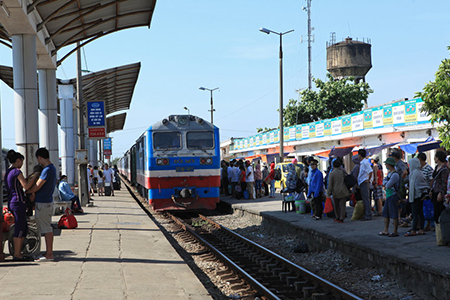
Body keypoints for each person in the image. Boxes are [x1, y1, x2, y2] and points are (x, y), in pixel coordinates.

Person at [4, 150, 39, 260]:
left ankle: (19, 252)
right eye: (22, 161)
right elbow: (26, 185)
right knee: (20, 227)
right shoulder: (16, 171)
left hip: (13, 201)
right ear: (18, 160)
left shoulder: (9, 172)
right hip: (18, 201)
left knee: (23, 226)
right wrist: (36, 175)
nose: (22, 164)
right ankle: (17, 254)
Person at [27, 148, 57, 262]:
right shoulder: (52, 168)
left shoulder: (47, 170)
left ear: (39, 157)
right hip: (47, 202)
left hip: (43, 203)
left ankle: (49, 254)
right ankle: (48, 252)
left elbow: (38, 186)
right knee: (46, 227)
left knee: (46, 229)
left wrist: (27, 191)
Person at [405, 158, 429, 236]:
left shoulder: (415, 174)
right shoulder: (418, 173)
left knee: (415, 214)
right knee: (420, 213)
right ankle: (420, 228)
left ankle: (414, 229)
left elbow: (418, 186)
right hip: (418, 196)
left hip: (416, 197)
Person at [379, 157, 400, 237]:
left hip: (393, 195)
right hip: (388, 195)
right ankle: (386, 230)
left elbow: (387, 184)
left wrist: (386, 182)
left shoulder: (395, 175)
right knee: (385, 213)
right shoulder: (390, 174)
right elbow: (385, 182)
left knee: (394, 213)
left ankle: (395, 231)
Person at [327, 157, 349, 223]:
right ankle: (342, 217)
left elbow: (330, 185)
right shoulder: (343, 172)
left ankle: (337, 216)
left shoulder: (332, 173)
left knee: (336, 205)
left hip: (335, 191)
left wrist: (328, 193)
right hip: (343, 190)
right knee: (342, 205)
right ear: (340, 165)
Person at [430, 150, 449, 225]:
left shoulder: (444, 169)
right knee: (436, 212)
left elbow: (444, 182)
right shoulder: (436, 167)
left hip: (440, 192)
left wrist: (441, 193)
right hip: (435, 190)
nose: (434, 159)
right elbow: (434, 180)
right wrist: (431, 190)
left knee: (440, 210)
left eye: (435, 157)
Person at [357, 149, 373, 221]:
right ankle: (366, 213)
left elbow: (370, 171)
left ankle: (368, 214)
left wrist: (368, 180)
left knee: (366, 199)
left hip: (364, 182)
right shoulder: (363, 163)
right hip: (362, 182)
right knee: (365, 198)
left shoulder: (365, 162)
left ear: (360, 155)